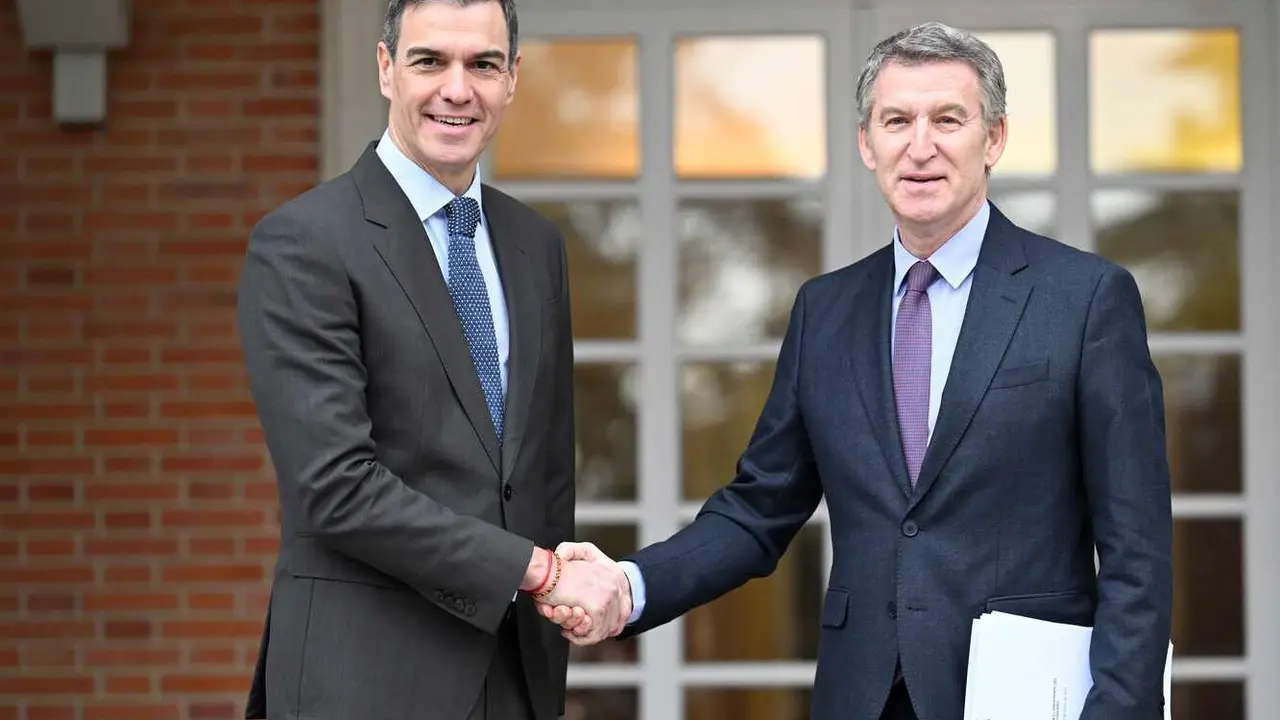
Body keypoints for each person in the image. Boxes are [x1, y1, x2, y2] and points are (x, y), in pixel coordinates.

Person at [545, 21, 1173, 720]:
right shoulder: (826, 310)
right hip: (862, 697)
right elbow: (758, 508)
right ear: (866, 144)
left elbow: (1136, 553)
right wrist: (630, 585)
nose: (920, 145)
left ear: (993, 138)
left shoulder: (1086, 300)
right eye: (896, 120)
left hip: (1020, 696)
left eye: (948, 119)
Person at [236, 1, 629, 718]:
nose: (458, 89)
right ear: (387, 69)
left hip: (514, 675)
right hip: (362, 680)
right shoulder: (304, 243)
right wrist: (538, 572)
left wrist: (554, 600)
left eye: (482, 64)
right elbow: (334, 486)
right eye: (430, 61)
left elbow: (542, 474)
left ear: (512, 78)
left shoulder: (534, 245)